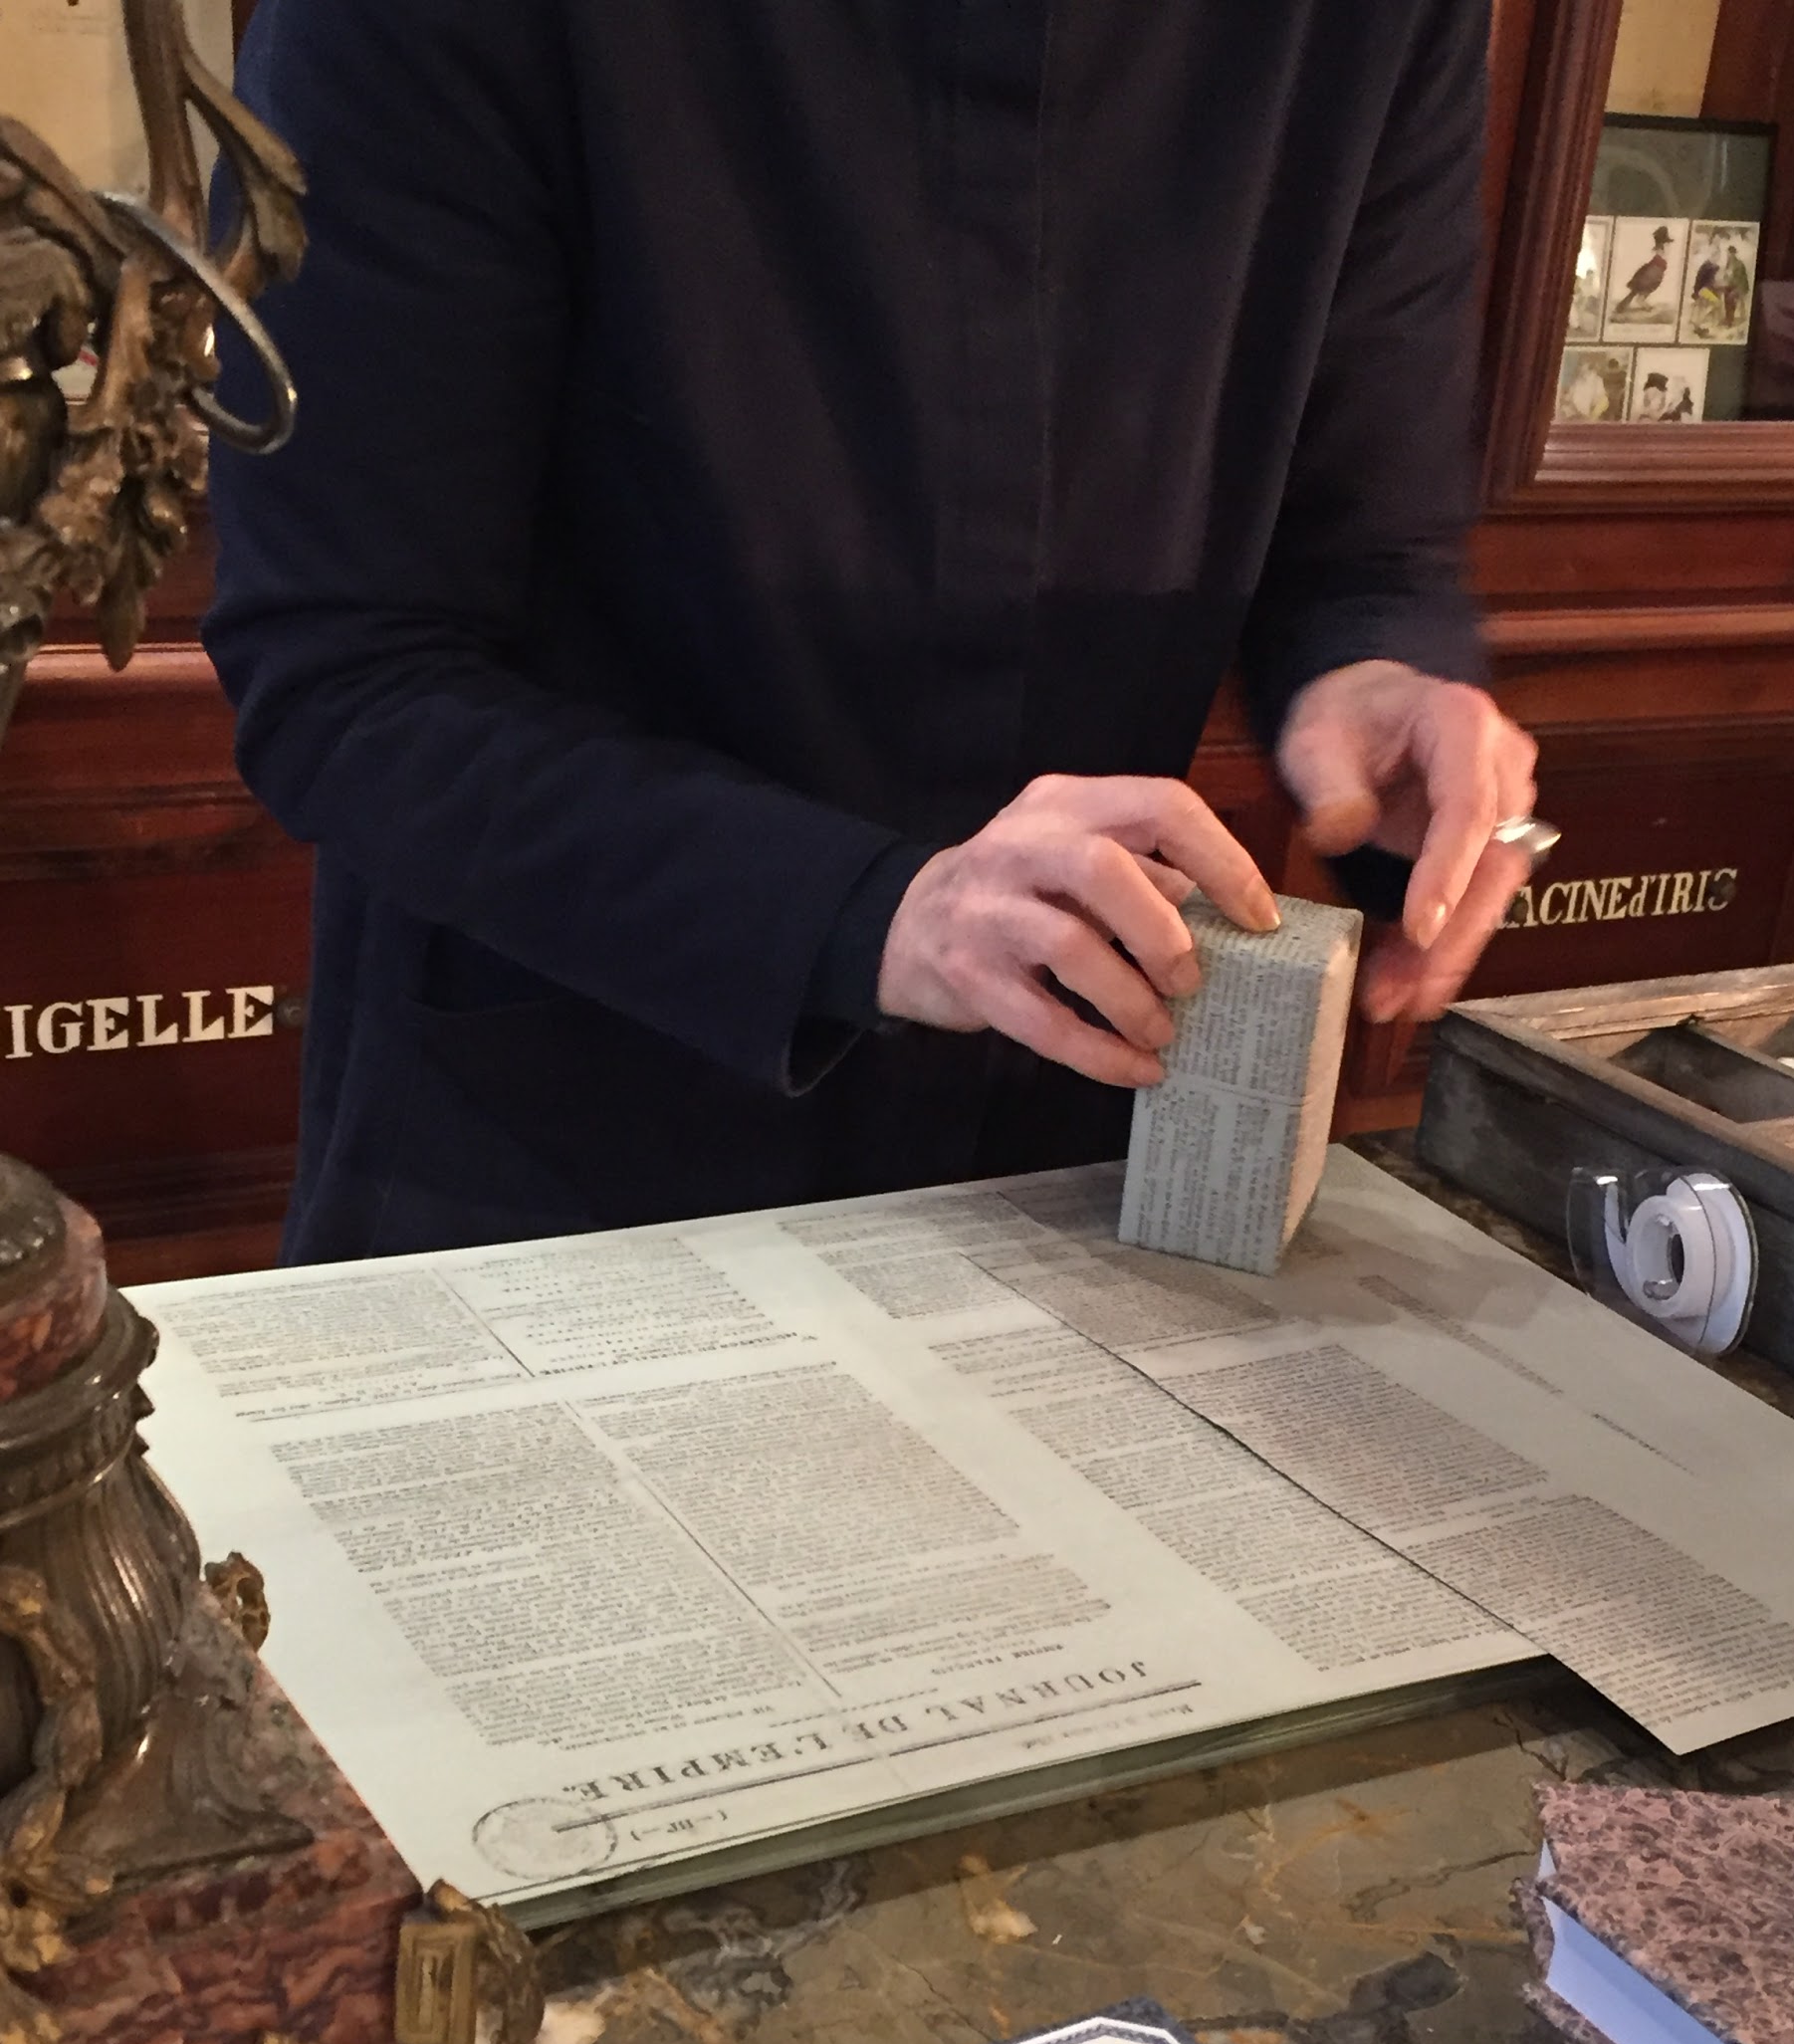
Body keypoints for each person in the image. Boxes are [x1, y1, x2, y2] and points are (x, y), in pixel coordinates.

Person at [207, 0, 1539, 1265]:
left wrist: (1375, 672)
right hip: (565, 1164)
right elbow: (348, 673)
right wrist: (870, 913)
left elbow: (1365, 542)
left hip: (1070, 1172)